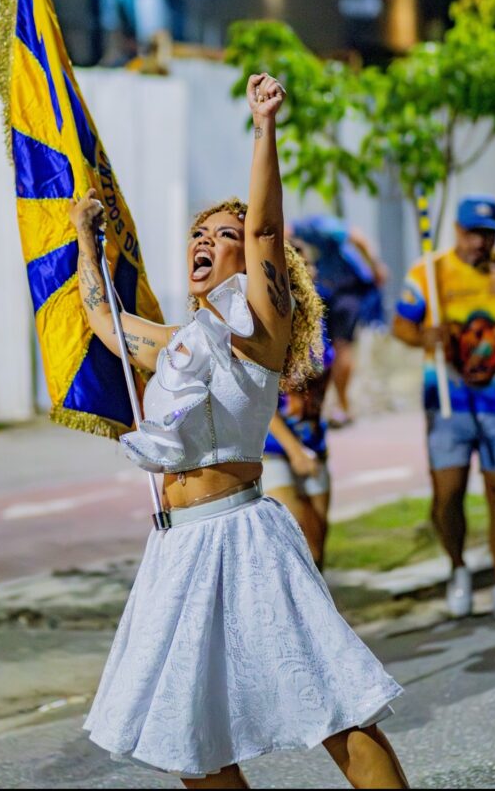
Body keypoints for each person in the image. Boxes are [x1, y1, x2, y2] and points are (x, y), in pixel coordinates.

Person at [70, 75, 408, 789]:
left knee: (337, 712)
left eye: (223, 237)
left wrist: (263, 125)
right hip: (177, 550)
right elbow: (101, 319)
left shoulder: (258, 330)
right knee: (186, 738)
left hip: (243, 537)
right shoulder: (178, 344)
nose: (207, 241)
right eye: (200, 232)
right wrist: (81, 237)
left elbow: (264, 228)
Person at [393, 195, 495, 620]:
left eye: (487, 233)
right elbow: (401, 324)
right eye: (471, 233)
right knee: (448, 495)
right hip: (448, 400)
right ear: (457, 232)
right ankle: (458, 568)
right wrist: (424, 337)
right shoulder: (430, 272)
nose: (479, 243)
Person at [262, 240, 334, 570]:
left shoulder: (317, 321)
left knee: (318, 547)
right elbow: (258, 400)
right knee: (295, 545)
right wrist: (293, 451)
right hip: (275, 447)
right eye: (300, 268)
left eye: (311, 267)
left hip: (313, 439)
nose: (310, 274)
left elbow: (323, 374)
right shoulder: (265, 323)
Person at [292, 214, 387, 428]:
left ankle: (328, 406)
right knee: (342, 348)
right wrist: (375, 267)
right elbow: (358, 238)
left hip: (323, 292)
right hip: (344, 293)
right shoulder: (329, 226)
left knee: (325, 350)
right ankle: (342, 406)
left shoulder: (299, 228)